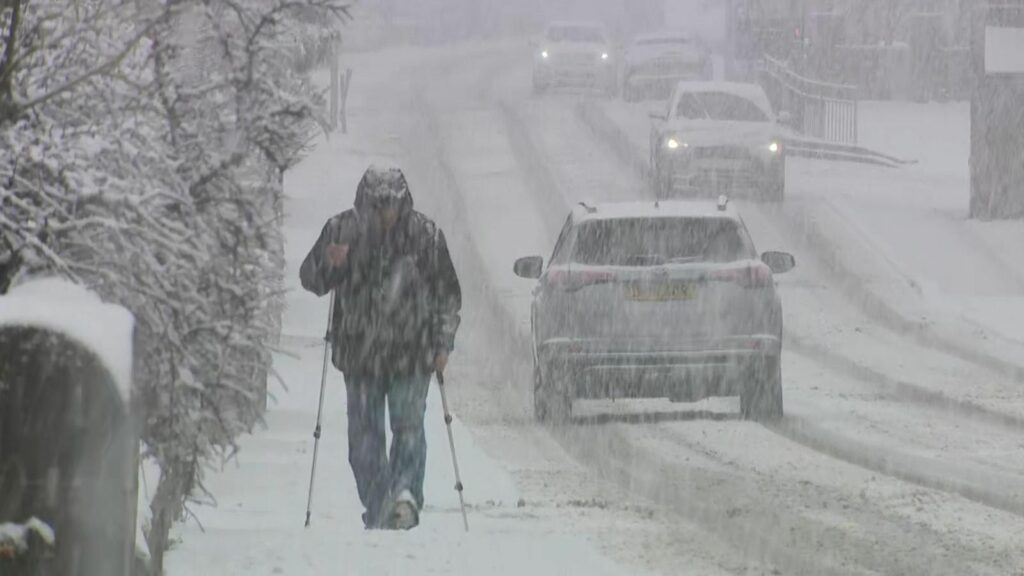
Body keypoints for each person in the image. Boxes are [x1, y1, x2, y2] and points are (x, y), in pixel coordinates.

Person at [299, 165, 462, 530]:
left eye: (392, 204)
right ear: (365, 201)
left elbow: (447, 295)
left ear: (403, 201)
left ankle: (404, 497)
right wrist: (328, 260)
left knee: (408, 427)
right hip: (361, 355)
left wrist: (442, 342)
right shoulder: (341, 231)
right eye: (378, 204)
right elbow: (311, 279)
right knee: (363, 438)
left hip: (412, 353)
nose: (386, 213)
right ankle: (380, 504)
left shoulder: (425, 236)